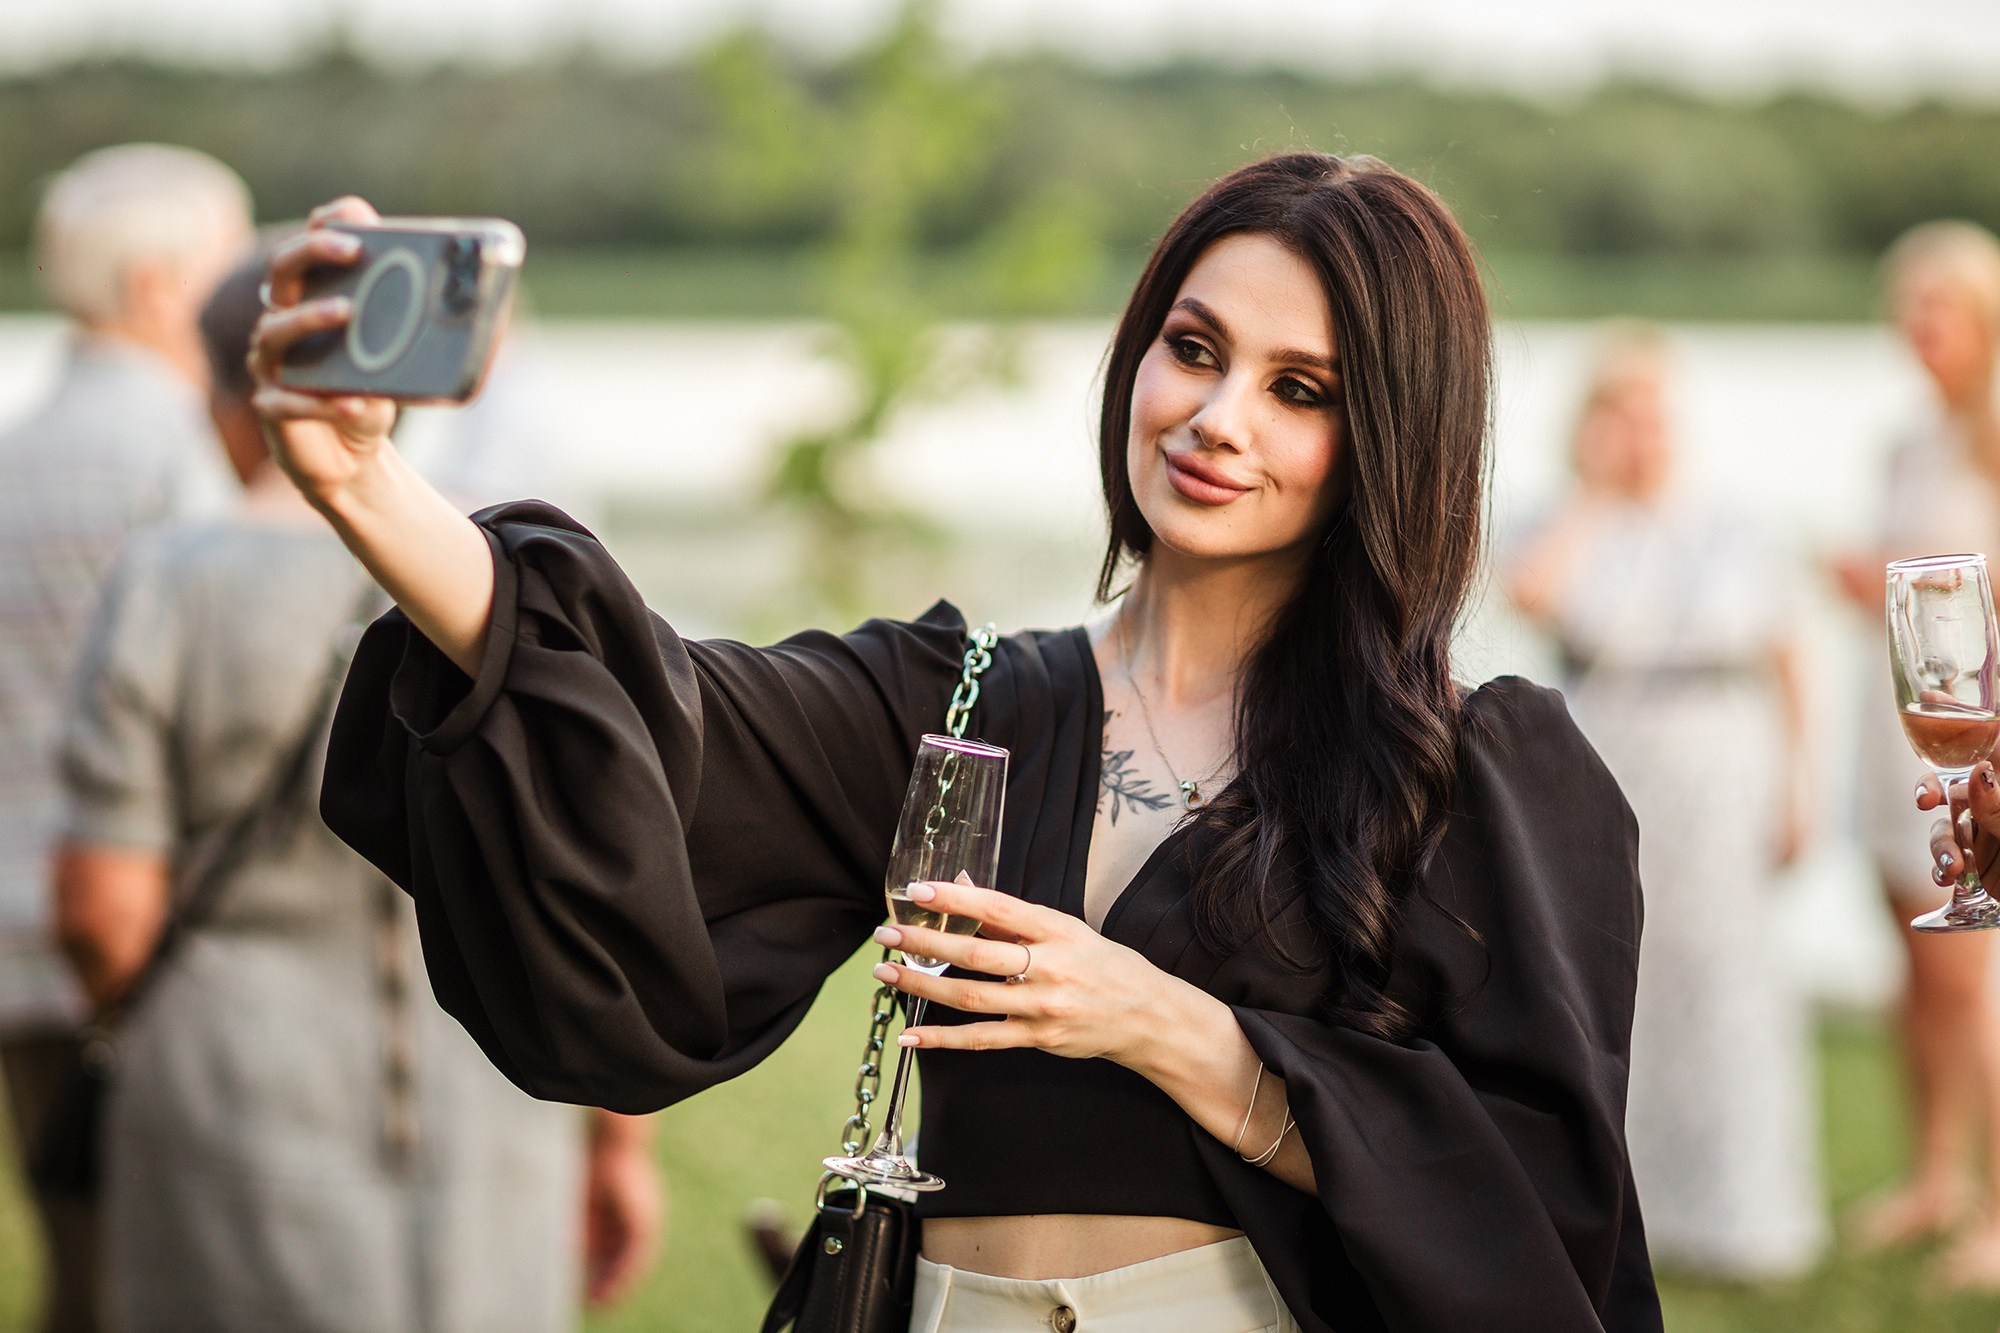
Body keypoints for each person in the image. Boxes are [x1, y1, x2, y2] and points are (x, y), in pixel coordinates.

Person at [251, 154, 1661, 1330]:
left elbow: (1534, 1205)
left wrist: (1177, 1029)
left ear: (1391, 437)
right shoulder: (965, 699)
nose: (1216, 418)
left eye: (1302, 390)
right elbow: (659, 706)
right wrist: (365, 481)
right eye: (1194, 348)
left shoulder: (1469, 774)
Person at [51, 252, 662, 1332]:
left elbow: (106, 912)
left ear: (220, 391)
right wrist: (619, 1141)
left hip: (233, 1076)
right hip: (496, 1080)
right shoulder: (516, 570)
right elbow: (612, 880)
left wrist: (124, 1011)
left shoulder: (169, 579)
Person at [1504, 329, 1824, 1280]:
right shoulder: (1558, 518)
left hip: (1721, 757)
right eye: (1622, 412)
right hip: (1609, 755)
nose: (1644, 431)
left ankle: (1741, 1213)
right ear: (1593, 423)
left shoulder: (1733, 521)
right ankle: (1617, 1199)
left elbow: (1789, 657)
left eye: (1655, 411)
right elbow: (1533, 595)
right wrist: (1595, 493)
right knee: (1611, 977)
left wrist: (1800, 781)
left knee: (1724, 975)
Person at [0, 142, 249, 1333]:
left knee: (79, 1272)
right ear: (160, 286)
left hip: (23, 939)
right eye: (229, 260)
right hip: (160, 942)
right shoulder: (189, 456)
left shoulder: (14, 449)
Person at [1833, 220, 2000, 1284]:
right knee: (1913, 977)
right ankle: (1933, 1176)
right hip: (1892, 729)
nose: (1916, 329)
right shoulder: (1906, 440)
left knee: (1972, 982)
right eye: (1906, 309)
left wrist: (1903, 579)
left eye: (1936, 309)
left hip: (1975, 745)